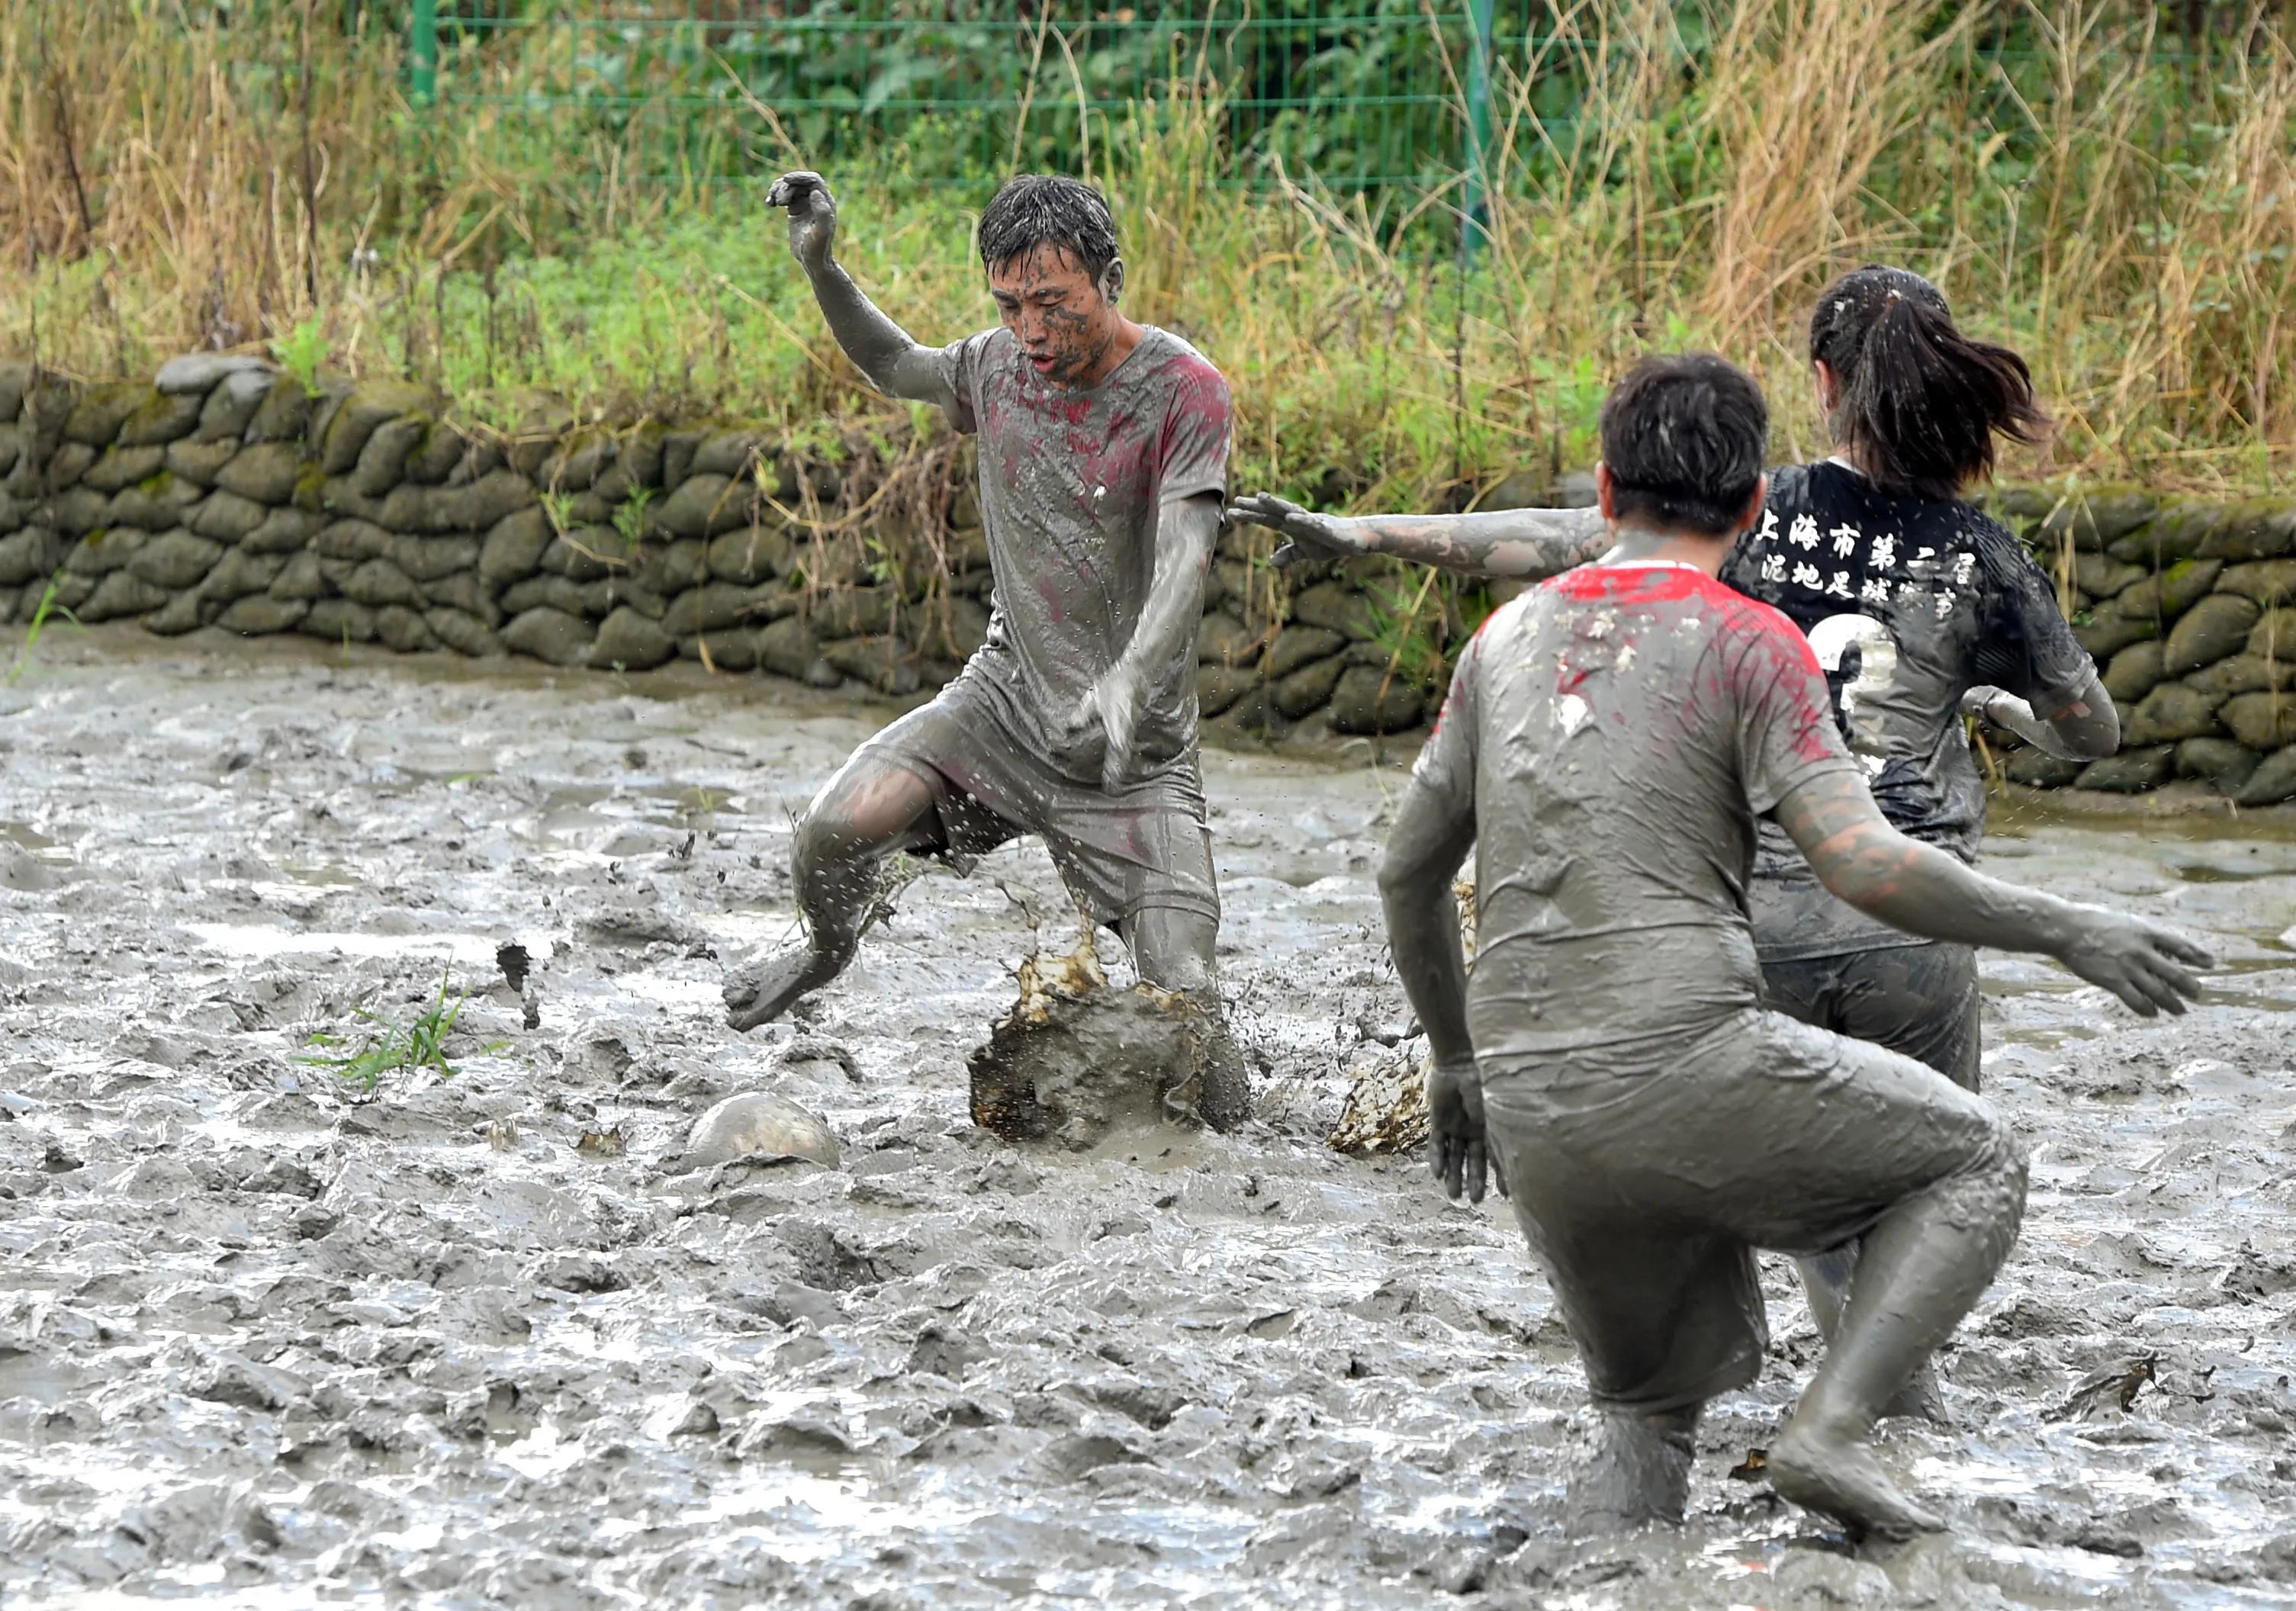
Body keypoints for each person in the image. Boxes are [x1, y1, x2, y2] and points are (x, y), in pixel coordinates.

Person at [1232, 265, 2116, 1404]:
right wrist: (2003, 713)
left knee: (1794, 1211)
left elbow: (1547, 542)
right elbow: (2090, 731)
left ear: (1820, 382)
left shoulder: (1761, 512)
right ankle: (1882, 1432)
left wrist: (1361, 533)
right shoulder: (1979, 555)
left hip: (1760, 931)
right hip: (1915, 934)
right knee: (1908, 1208)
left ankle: (1785, 1412)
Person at [1378, 353, 2208, 1541]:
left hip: (1535, 1110)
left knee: (1644, 1432)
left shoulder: (1504, 639)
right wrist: (2067, 927)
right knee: (1978, 1162)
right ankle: (1825, 1430)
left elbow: (1403, 870)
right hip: (1685, 1068)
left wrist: (1454, 1062)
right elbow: (1863, 863)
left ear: (1605, 492)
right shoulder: (1753, 641)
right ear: (1752, 509)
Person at [726, 170, 1243, 1125]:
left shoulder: (1185, 392)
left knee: (1195, 1023)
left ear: (1111, 280)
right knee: (833, 830)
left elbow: (1185, 558)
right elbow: (894, 363)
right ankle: (823, 953)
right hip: (1002, 707)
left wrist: (1131, 675)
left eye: (1054, 303)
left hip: (1134, 757)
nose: (1033, 331)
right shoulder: (994, 368)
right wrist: (823, 266)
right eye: (1011, 306)